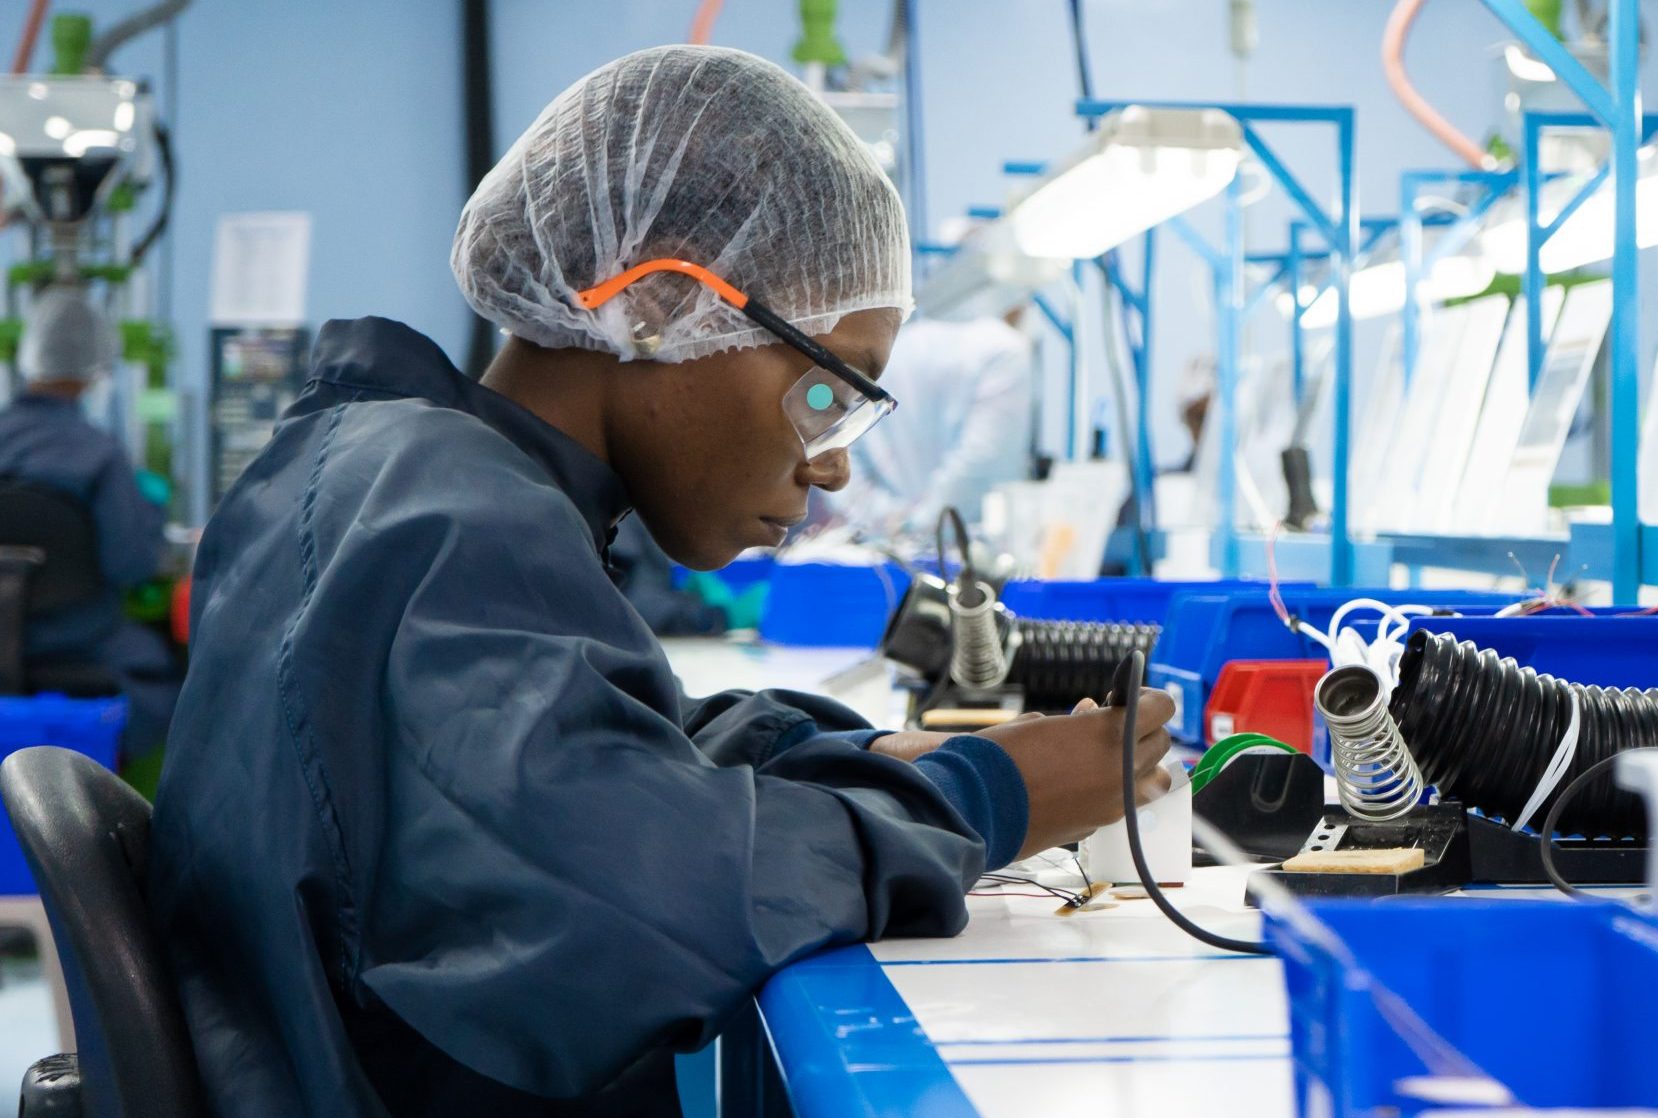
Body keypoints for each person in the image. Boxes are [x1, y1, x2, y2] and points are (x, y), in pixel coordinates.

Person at [148, 46, 1173, 1118]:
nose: (833, 465)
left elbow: (572, 762)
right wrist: (992, 796)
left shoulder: (403, 474)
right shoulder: (451, 517)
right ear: (659, 306)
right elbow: (648, 901)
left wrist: (855, 753)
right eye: (827, 397)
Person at [0, 285, 180, 751]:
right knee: (165, 669)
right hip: (82, 647)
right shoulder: (100, 455)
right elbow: (132, 564)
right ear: (97, 369)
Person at [838, 310, 1037, 536]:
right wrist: (919, 524)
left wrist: (887, 520)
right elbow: (982, 459)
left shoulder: (880, 350)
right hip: (964, 547)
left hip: (880, 543)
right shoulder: (1003, 351)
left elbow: (840, 449)